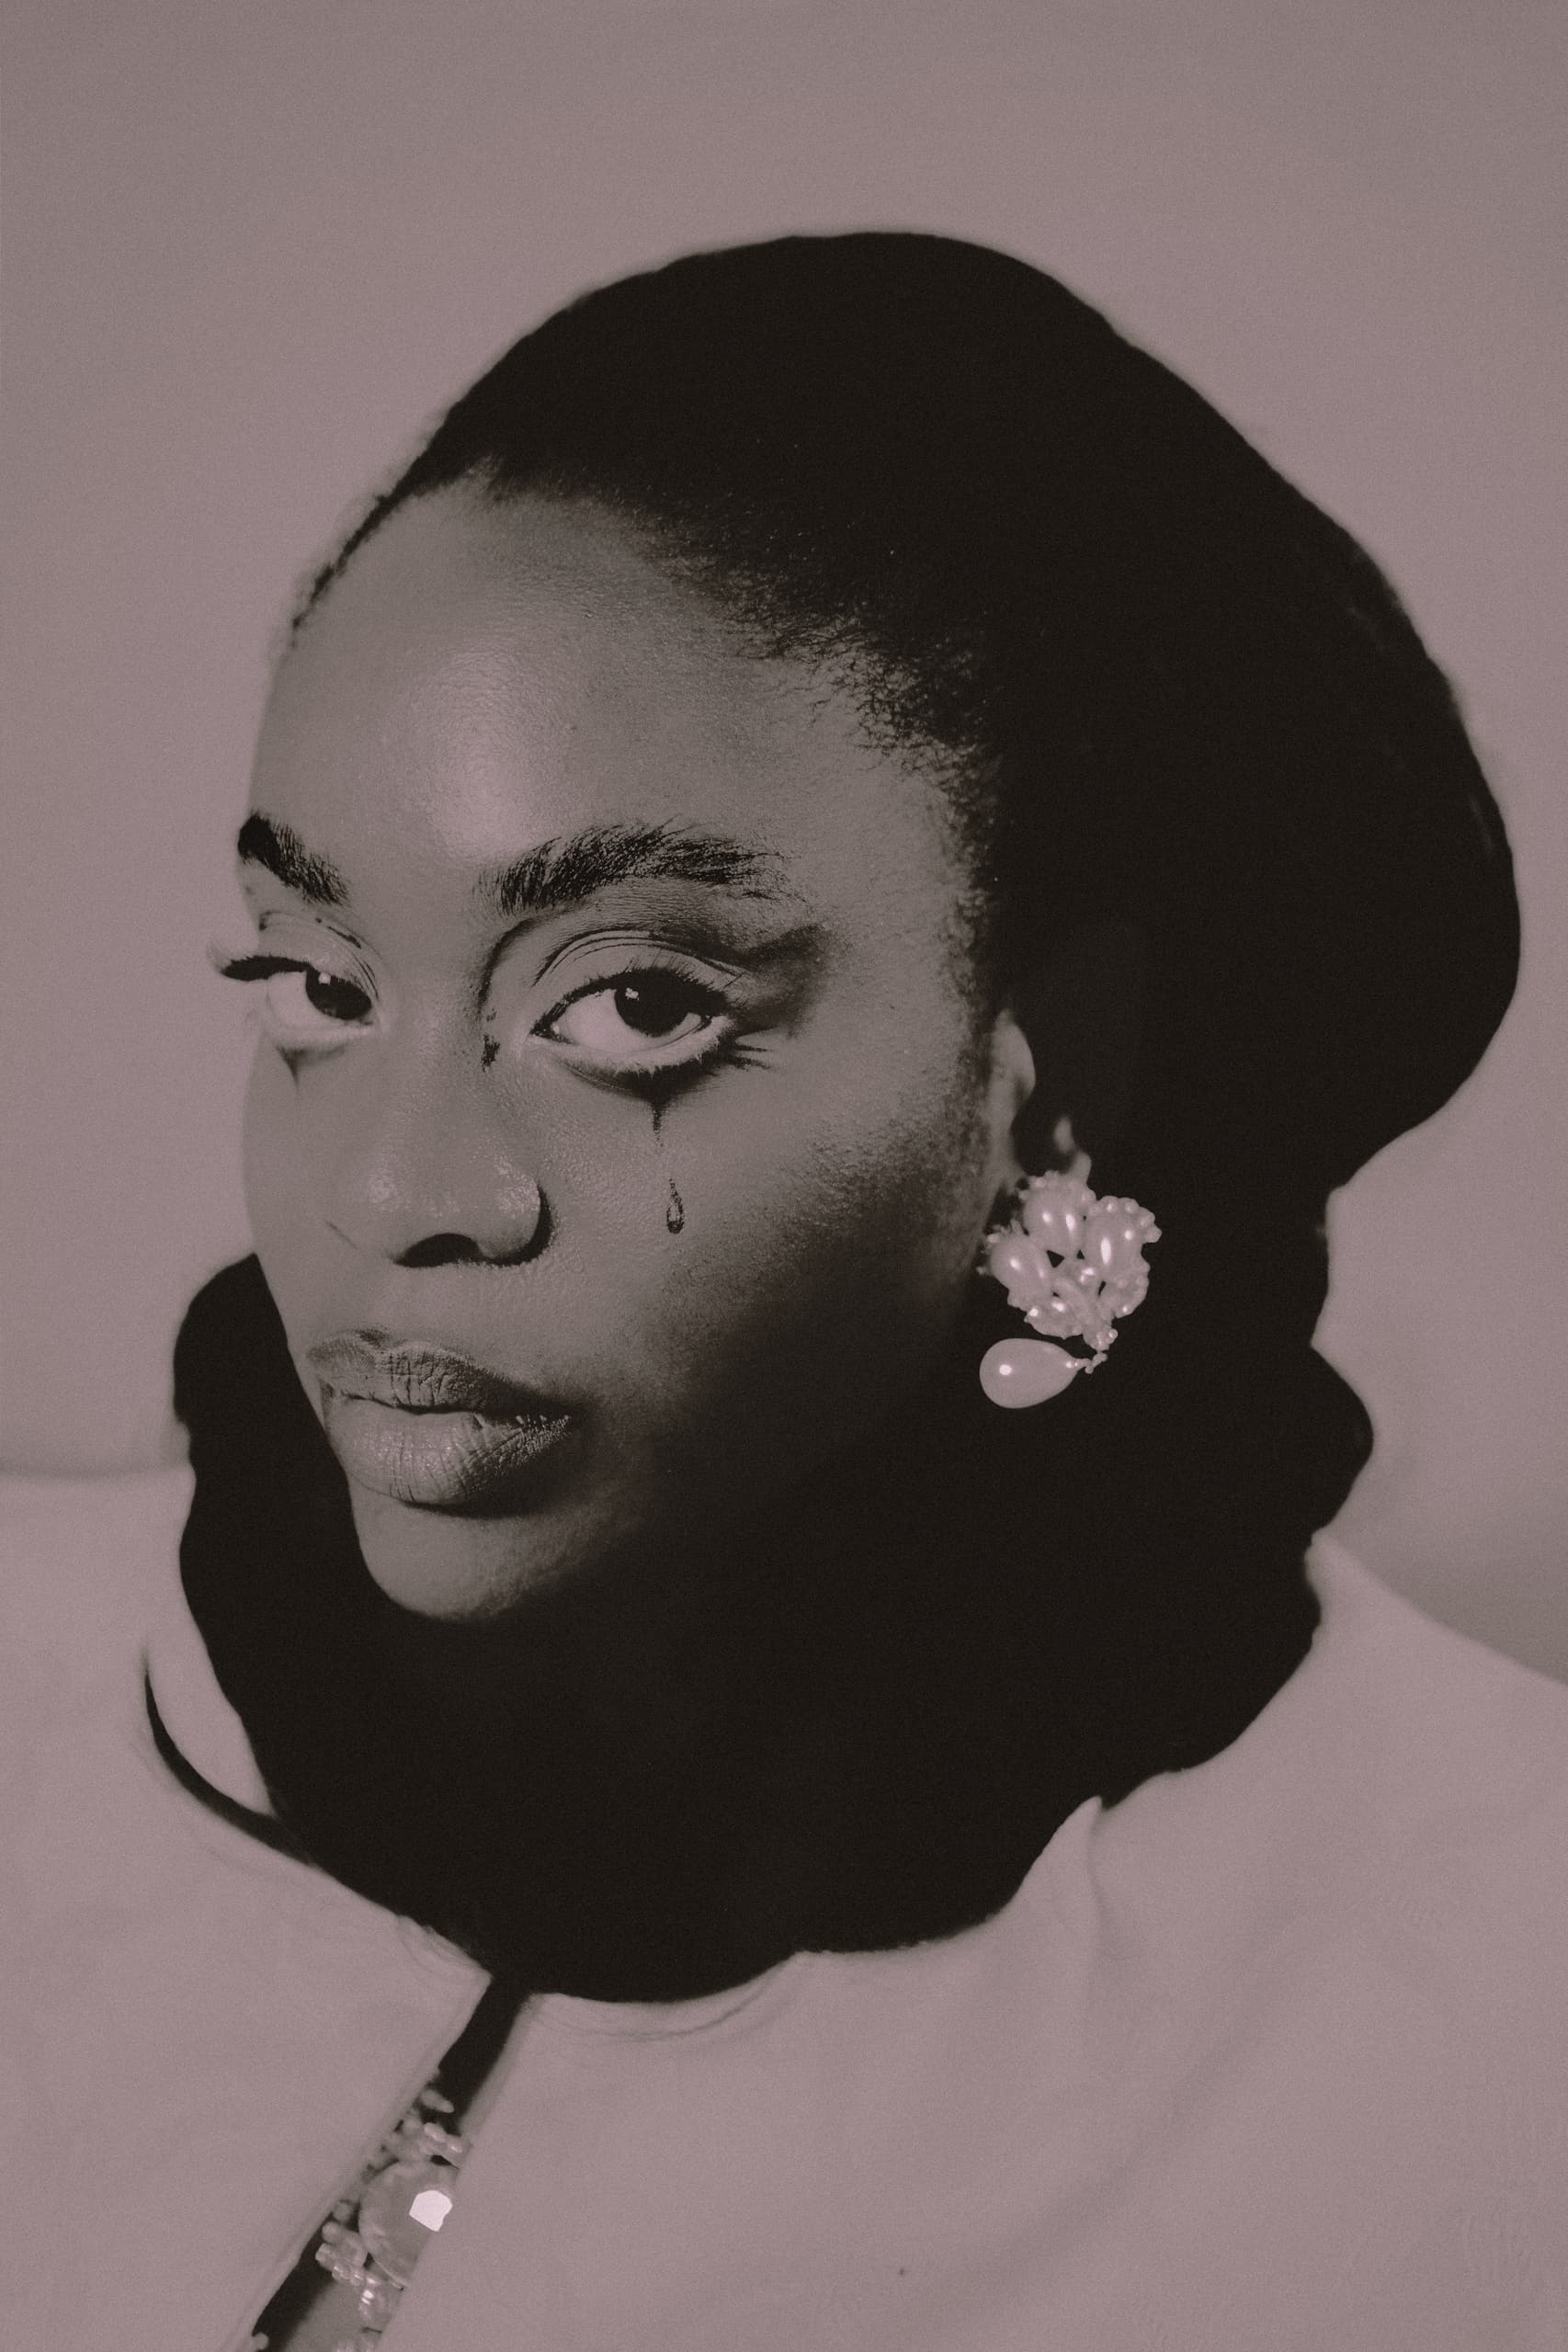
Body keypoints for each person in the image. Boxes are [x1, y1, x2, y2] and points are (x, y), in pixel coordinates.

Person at [8, 231, 1567, 2351]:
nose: (390, 1188)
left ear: (1050, 1084)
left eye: (631, 1003)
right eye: (317, 982)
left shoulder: (1496, 1985)